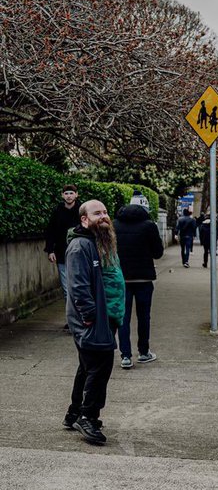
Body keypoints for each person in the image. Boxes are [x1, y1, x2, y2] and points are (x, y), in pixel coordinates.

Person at [63, 199, 126, 445]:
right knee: (100, 368)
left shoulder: (99, 240)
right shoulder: (80, 246)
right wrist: (90, 317)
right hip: (92, 319)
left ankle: (74, 412)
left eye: (105, 212)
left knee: (88, 366)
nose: (103, 216)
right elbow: (78, 287)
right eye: (96, 213)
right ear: (84, 219)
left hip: (104, 316)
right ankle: (88, 417)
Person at [114, 195, 164, 369]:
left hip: (121, 278)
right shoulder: (149, 225)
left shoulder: (115, 224)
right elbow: (158, 253)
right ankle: (143, 352)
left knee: (123, 318)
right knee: (143, 317)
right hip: (144, 278)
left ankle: (125, 356)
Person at [44, 184, 80, 323]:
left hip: (79, 255)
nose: (69, 196)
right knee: (67, 289)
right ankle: (72, 320)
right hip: (61, 254)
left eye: (71, 193)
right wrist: (50, 250)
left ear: (76, 195)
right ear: (62, 195)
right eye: (66, 193)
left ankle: (82, 317)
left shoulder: (81, 210)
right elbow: (50, 231)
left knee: (79, 287)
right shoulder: (57, 211)